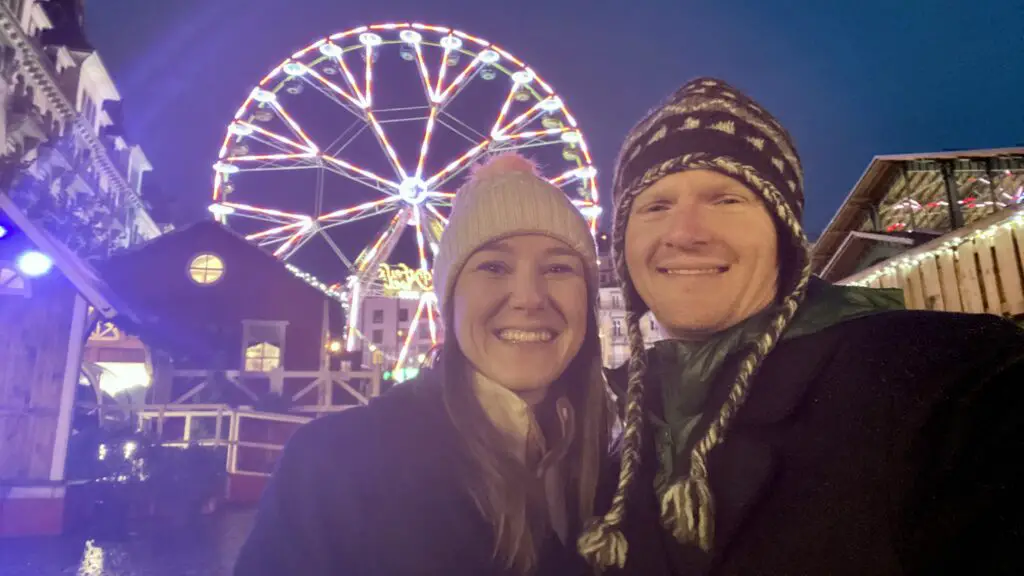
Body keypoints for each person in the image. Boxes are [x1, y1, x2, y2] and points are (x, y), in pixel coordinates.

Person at [576, 77, 1024, 575]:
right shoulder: (625, 452)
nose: (683, 233)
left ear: (784, 234)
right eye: (655, 206)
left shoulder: (956, 384)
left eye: (726, 199)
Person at [234, 153, 612, 576]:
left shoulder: (619, 474)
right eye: (494, 267)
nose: (529, 297)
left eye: (559, 268)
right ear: (448, 301)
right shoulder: (334, 469)